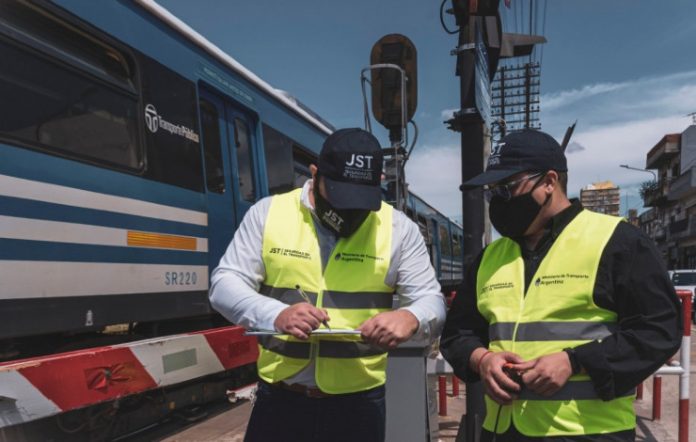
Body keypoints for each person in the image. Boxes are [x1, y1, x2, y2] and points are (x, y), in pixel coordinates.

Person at [440, 129, 682, 441]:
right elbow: (458, 333)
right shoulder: (491, 257)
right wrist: (482, 359)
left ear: (549, 182)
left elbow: (660, 330)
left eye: (506, 187)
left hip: (590, 433)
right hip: (502, 430)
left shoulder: (616, 241)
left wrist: (575, 361)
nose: (497, 200)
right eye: (491, 192)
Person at [210, 128, 446, 442]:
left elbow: (431, 299)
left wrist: (410, 317)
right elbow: (224, 284)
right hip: (280, 400)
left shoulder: (399, 229)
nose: (349, 210)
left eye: (360, 200)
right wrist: (275, 314)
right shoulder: (268, 214)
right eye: (340, 195)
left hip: (359, 404)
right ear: (315, 174)